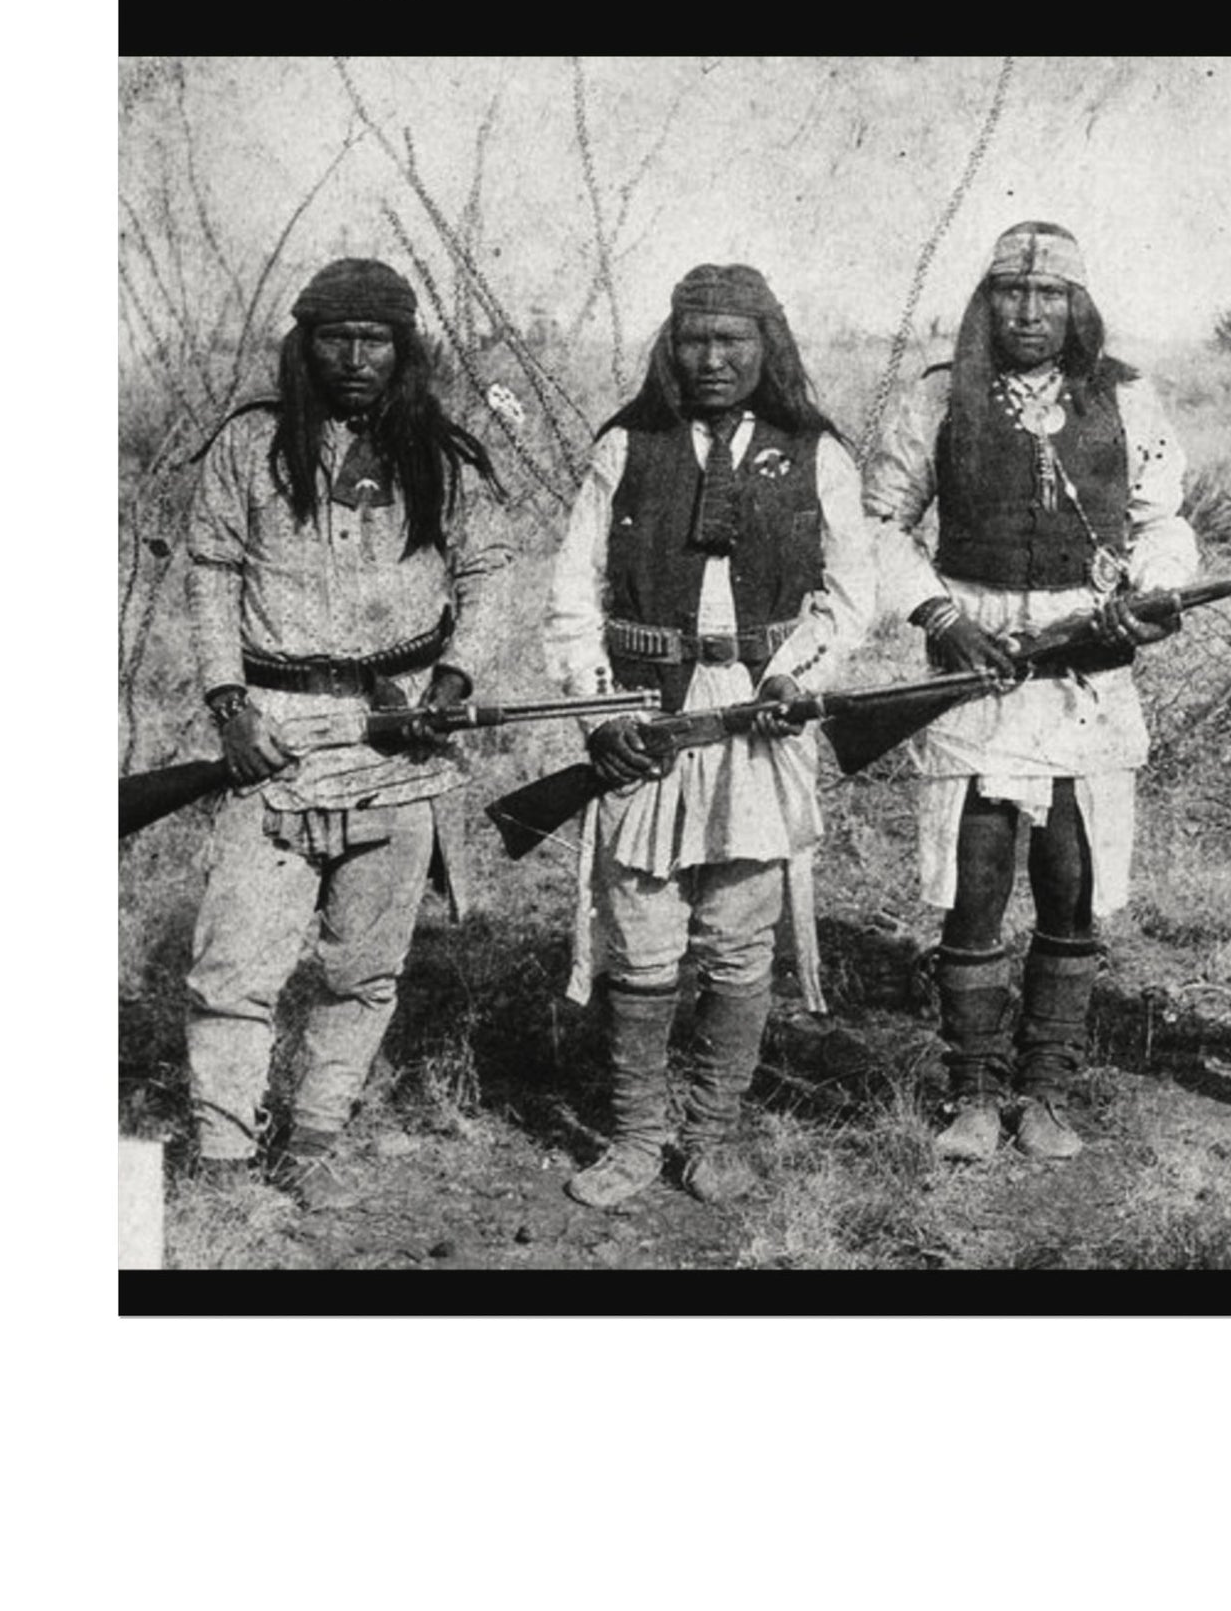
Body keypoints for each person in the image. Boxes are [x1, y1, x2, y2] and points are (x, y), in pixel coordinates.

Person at [182, 257, 511, 1206]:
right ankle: (223, 1156)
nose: (357, 359)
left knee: (364, 969)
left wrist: (455, 677)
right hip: (274, 738)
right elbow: (210, 573)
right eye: (337, 339)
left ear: (404, 349)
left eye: (376, 341)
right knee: (234, 966)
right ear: (306, 344)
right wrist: (230, 706)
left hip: (399, 740)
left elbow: (489, 569)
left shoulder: (443, 453)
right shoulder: (249, 446)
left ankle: (316, 1136)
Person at [866, 222, 1197, 1162]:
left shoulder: (1126, 396)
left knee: (1070, 880)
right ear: (987, 300)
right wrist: (939, 615)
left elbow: (1163, 522)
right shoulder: (939, 397)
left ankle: (1046, 1090)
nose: (1028, 311)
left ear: (1076, 306)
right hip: (975, 668)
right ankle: (972, 1090)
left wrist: (1149, 594)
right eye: (1011, 292)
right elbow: (879, 523)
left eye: (1050, 295)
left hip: (1084, 670)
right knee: (974, 881)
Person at [544, 263, 873, 1208]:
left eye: (733, 340)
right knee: (642, 932)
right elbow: (571, 595)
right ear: (670, 346)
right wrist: (602, 714)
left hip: (759, 721)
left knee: (738, 934)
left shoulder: (817, 452)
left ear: (768, 347)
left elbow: (852, 596)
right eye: (695, 339)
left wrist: (796, 677)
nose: (713, 358)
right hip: (645, 714)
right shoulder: (626, 446)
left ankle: (712, 1135)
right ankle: (635, 1138)